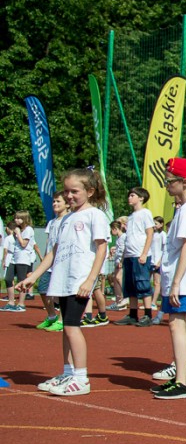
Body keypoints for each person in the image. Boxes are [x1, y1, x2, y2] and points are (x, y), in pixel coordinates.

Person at [19, 168, 110, 396]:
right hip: (63, 280)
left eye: (74, 191)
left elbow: (101, 249)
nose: (69, 196)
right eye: (67, 191)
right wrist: (33, 276)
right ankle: (68, 372)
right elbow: (53, 252)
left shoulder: (95, 215)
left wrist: (90, 280)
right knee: (66, 330)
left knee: (71, 326)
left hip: (79, 280)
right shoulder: (65, 219)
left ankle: (81, 378)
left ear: (90, 191)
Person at [151, 157, 186, 400]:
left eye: (169, 181)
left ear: (184, 182)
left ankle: (183, 381)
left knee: (177, 324)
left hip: (183, 278)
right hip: (181, 276)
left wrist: (176, 282)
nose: (166, 185)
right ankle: (181, 377)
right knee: (178, 325)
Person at [115, 188, 155, 326]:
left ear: (141, 198)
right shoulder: (131, 216)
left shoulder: (145, 213)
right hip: (129, 255)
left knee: (142, 284)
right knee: (130, 285)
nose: (129, 198)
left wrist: (144, 253)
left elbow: (150, 234)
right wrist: (122, 257)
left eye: (132, 195)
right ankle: (133, 314)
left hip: (140, 255)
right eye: (129, 195)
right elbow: (128, 238)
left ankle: (148, 315)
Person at [35, 194, 70, 331]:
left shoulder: (69, 220)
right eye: (54, 201)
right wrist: (44, 260)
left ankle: (62, 320)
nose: (55, 204)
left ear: (67, 204)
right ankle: (51, 316)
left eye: (58, 201)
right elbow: (49, 243)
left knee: (61, 292)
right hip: (50, 263)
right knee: (42, 289)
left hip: (62, 263)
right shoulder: (52, 222)